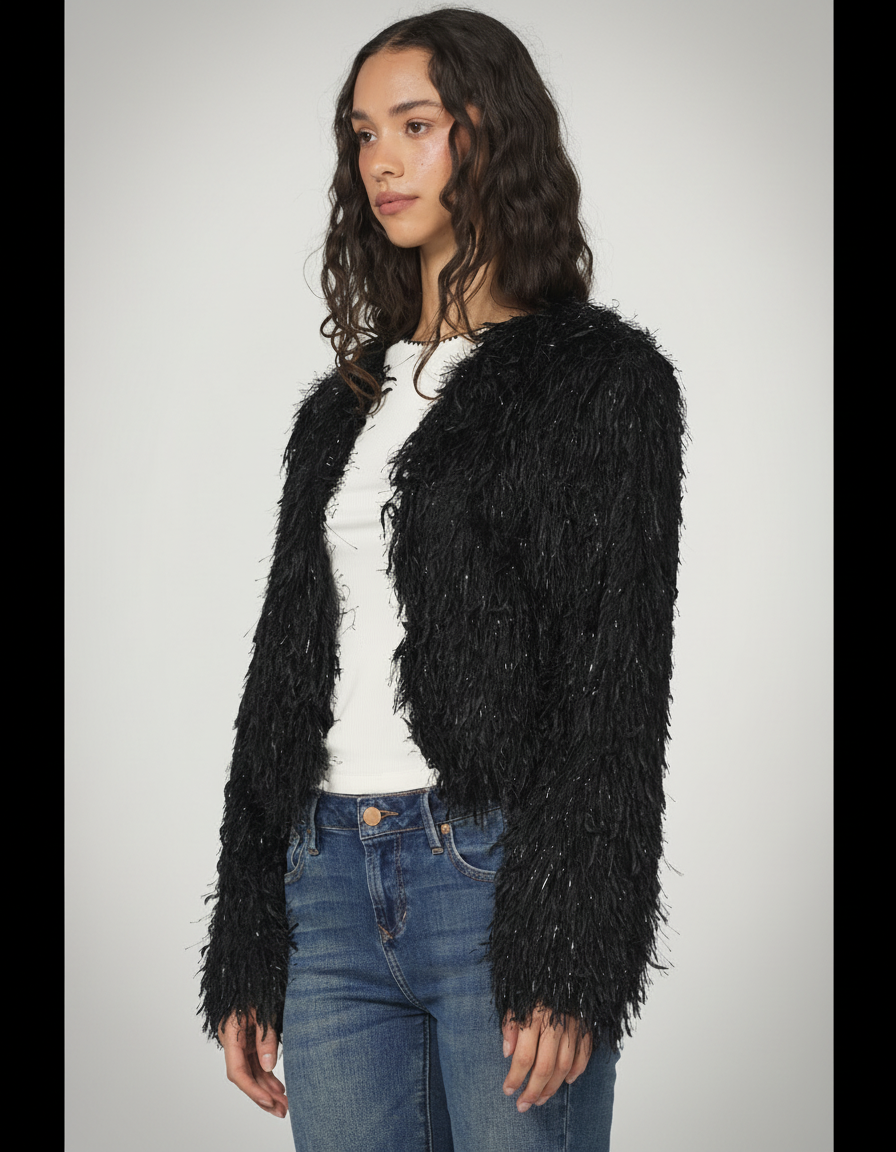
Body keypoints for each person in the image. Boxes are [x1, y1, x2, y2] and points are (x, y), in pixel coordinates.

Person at [199, 8, 685, 1151]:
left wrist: (570, 944)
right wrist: (247, 934)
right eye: (363, 132)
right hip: (320, 884)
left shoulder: (599, 380)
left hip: (493, 877)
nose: (380, 160)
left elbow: (613, 682)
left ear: (490, 132)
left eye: (414, 125)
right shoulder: (340, 410)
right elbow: (283, 675)